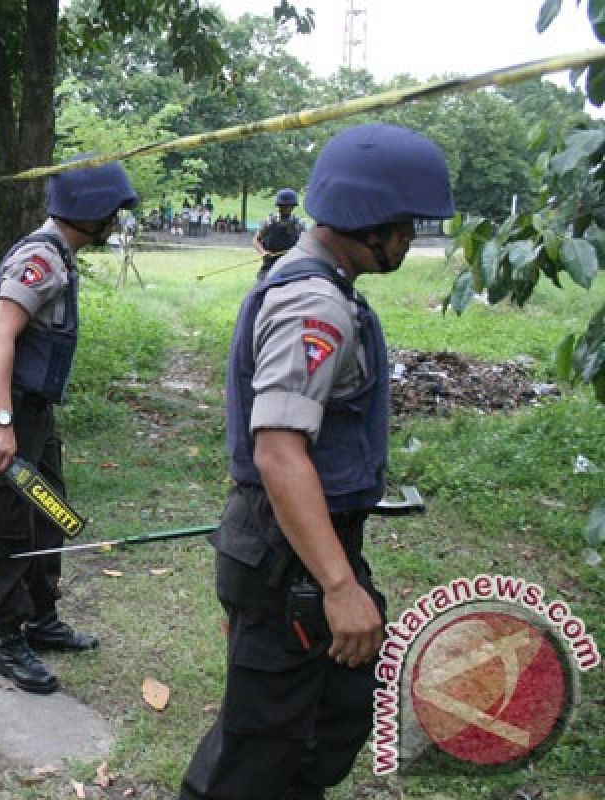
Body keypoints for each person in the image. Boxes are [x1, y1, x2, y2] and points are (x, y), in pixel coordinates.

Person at [179, 123, 453, 800]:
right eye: (406, 224)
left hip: (297, 545)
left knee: (338, 702)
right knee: (260, 745)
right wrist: (336, 586)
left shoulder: (321, 286)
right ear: (373, 221)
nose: (411, 239)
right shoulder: (316, 305)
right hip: (289, 556)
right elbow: (278, 450)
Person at [0, 155, 138, 694]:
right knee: (9, 526)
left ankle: (41, 620)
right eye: (112, 213)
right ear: (91, 212)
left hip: (32, 415)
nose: (115, 224)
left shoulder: (59, 253)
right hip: (5, 412)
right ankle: (9, 639)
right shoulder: (42, 258)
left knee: (49, 513)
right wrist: (2, 421)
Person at [252, 187, 305, 280]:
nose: (284, 208)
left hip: (291, 264)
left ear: (293, 206)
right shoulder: (270, 221)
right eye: (282, 205)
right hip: (270, 264)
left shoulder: (299, 224)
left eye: (287, 205)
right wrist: (263, 252)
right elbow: (256, 240)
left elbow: (305, 243)